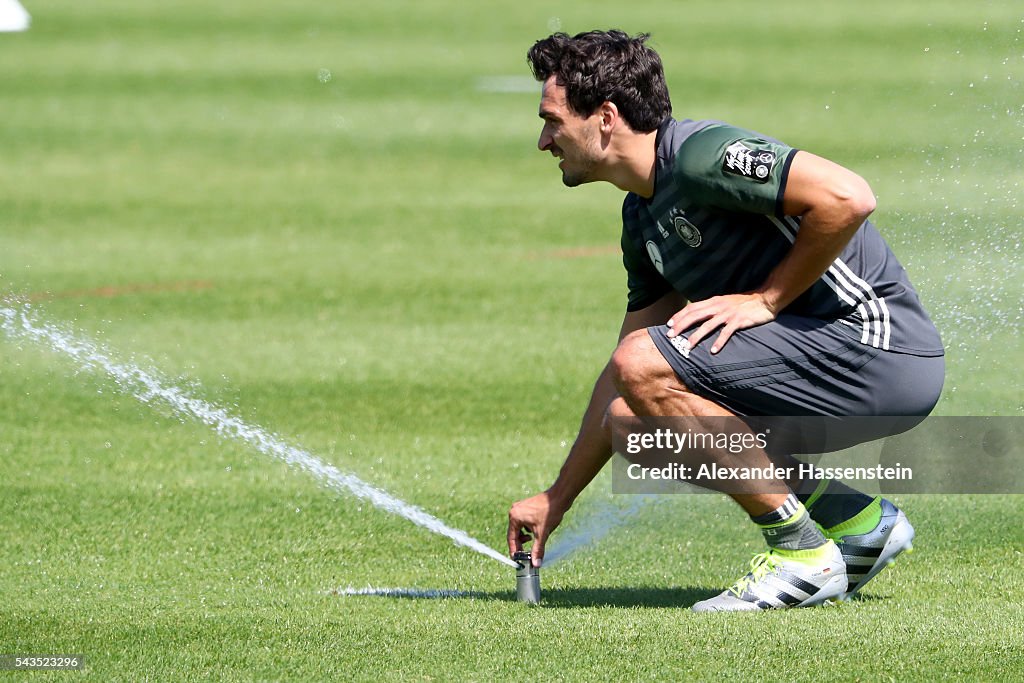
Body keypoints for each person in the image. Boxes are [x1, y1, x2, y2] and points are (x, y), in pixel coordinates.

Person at [506, 30, 945, 611]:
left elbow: (849, 196)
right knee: (630, 422)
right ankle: (856, 520)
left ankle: (800, 557)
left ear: (606, 117)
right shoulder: (642, 217)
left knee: (643, 367)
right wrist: (556, 497)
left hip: (880, 352)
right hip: (830, 360)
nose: (543, 140)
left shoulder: (700, 154)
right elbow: (625, 376)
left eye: (553, 120)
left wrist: (766, 299)